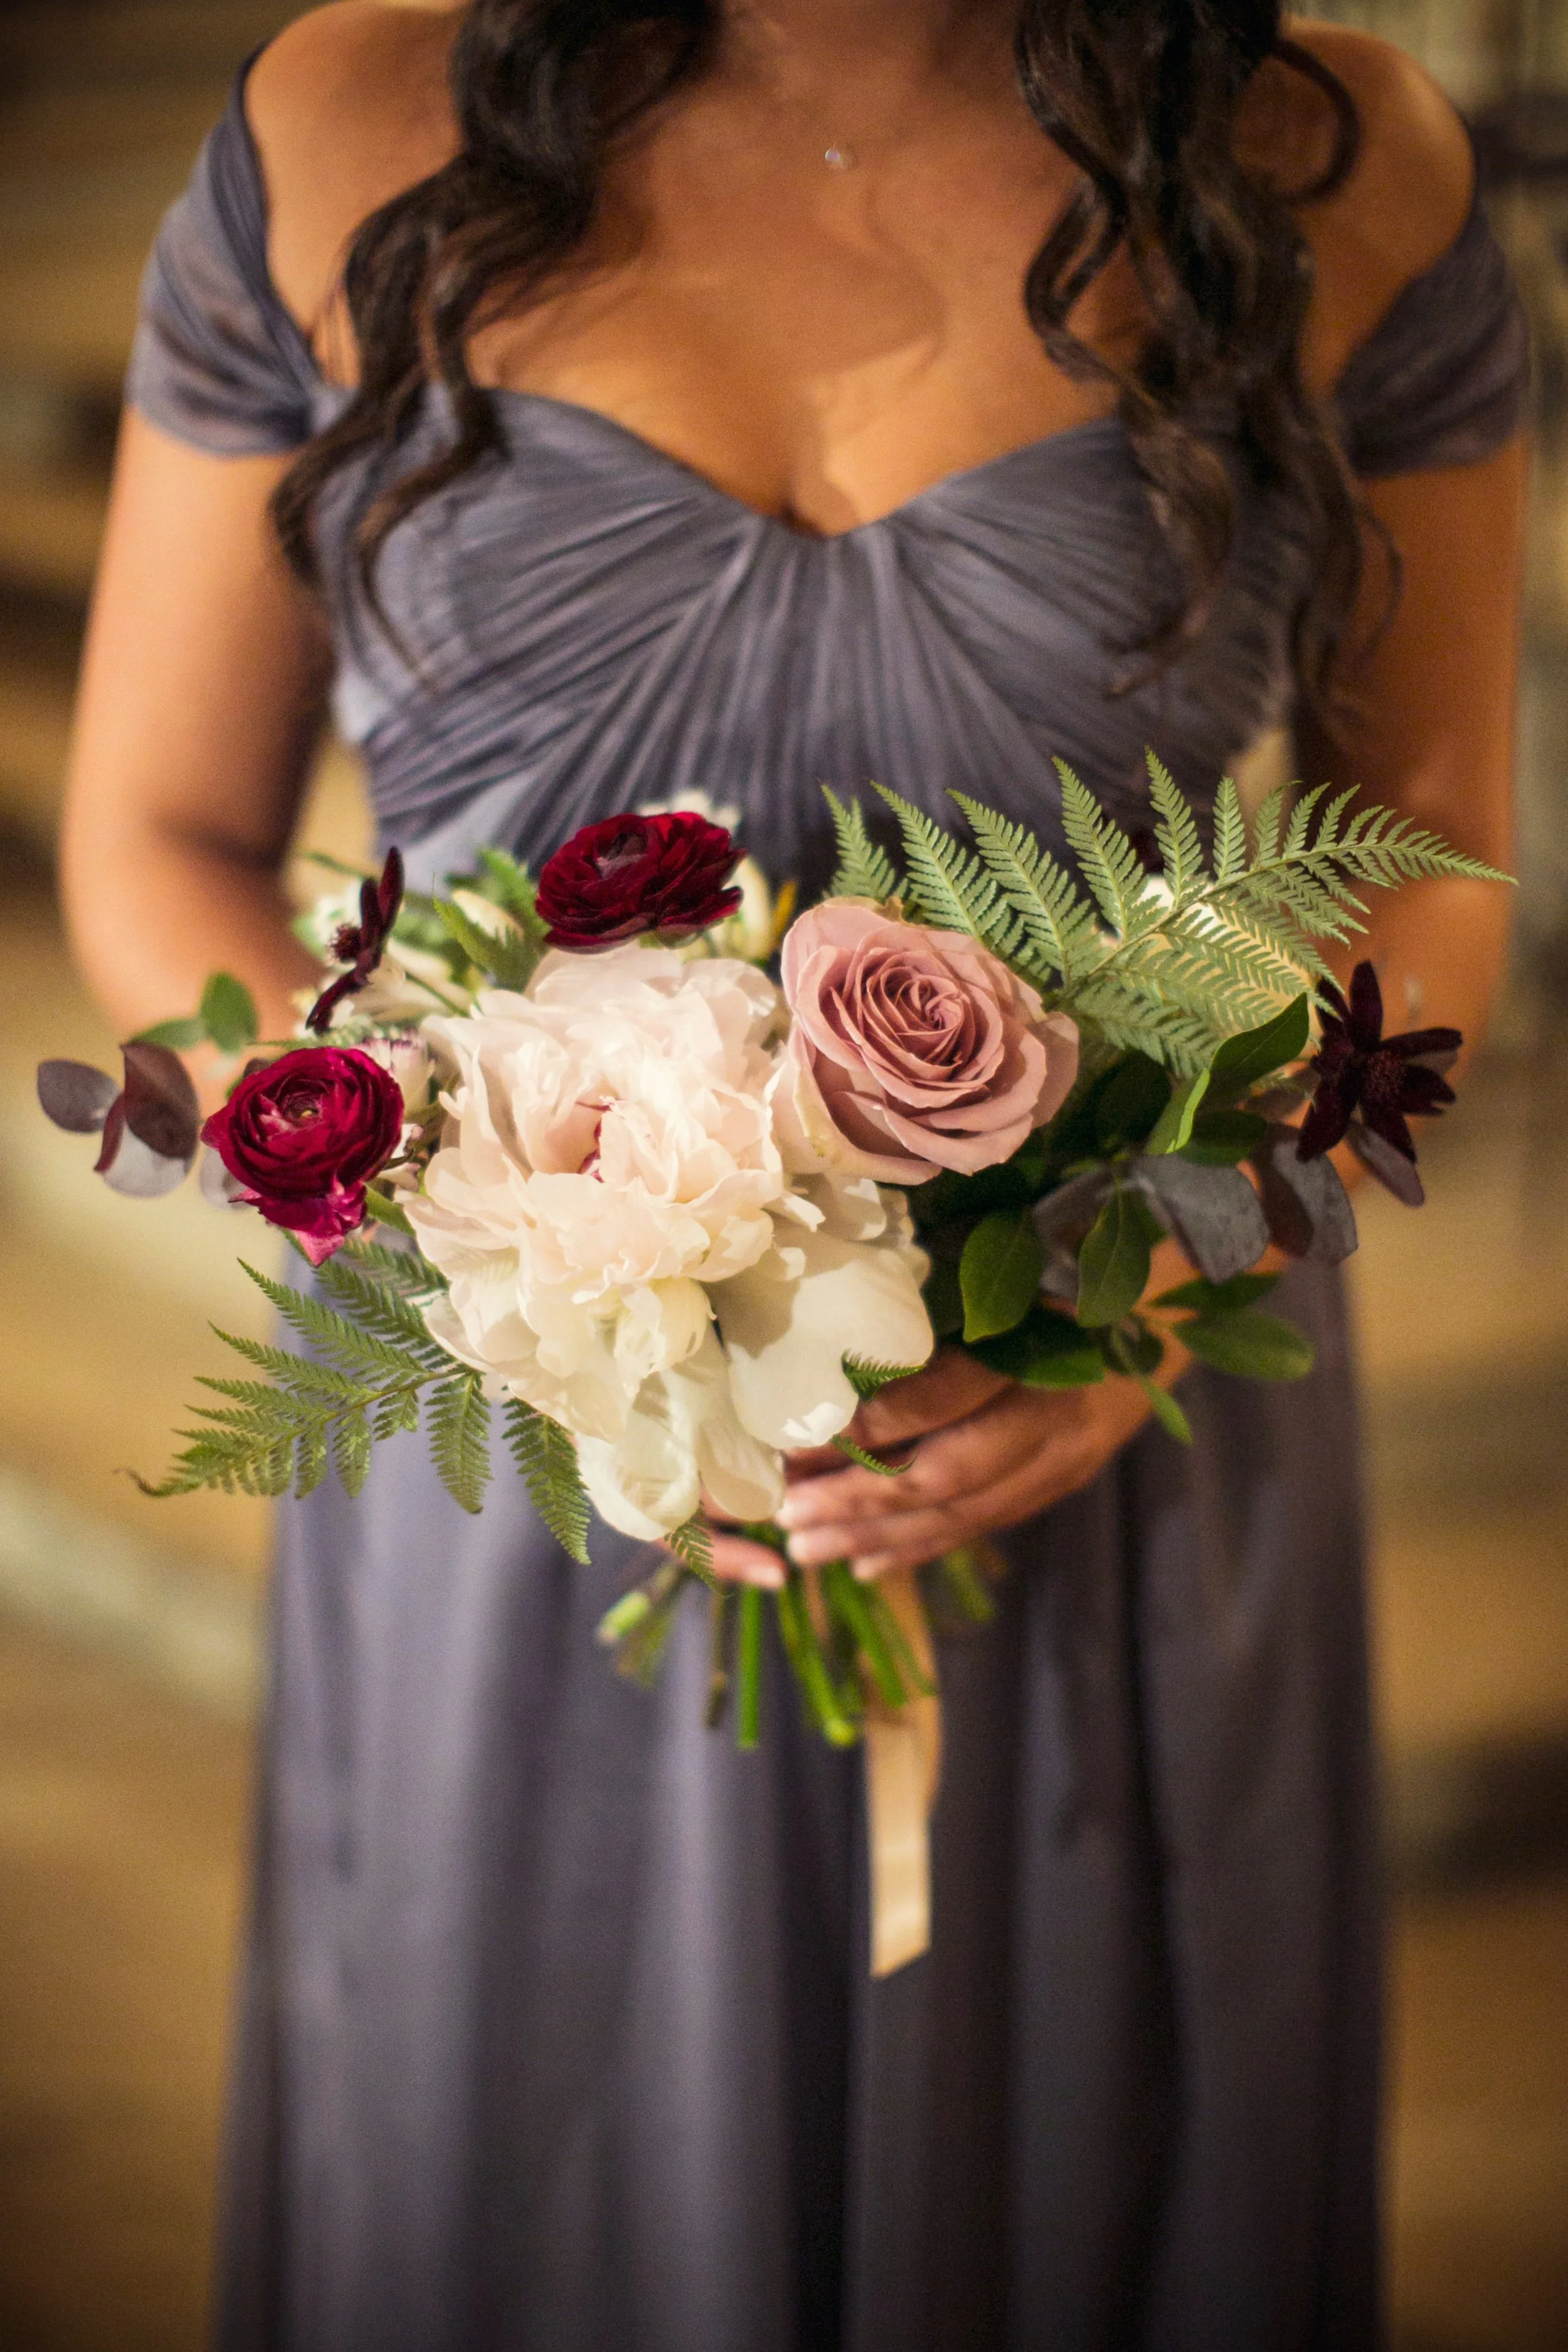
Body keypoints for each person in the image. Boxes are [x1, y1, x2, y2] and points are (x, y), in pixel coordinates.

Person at [59, 3, 1525, 2345]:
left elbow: (1422, 864)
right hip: (524, 1451)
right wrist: (503, 1252)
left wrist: (1171, 1268)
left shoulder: (1320, 159)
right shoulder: (346, 121)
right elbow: (160, 838)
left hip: (1090, 1421)